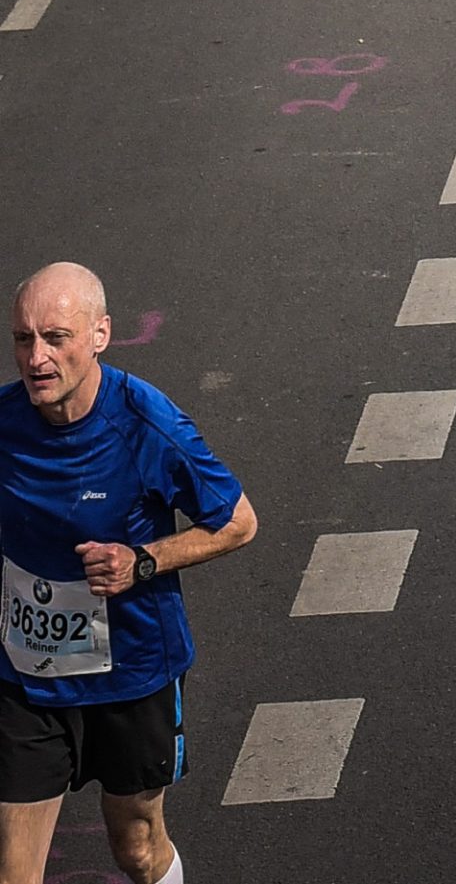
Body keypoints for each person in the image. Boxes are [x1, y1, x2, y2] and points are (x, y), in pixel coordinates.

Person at [0, 261, 257, 884]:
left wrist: (142, 561)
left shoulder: (147, 424)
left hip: (132, 673)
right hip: (28, 679)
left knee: (137, 848)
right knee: (13, 870)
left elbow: (239, 522)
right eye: (23, 339)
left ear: (100, 334)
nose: (36, 358)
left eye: (56, 337)